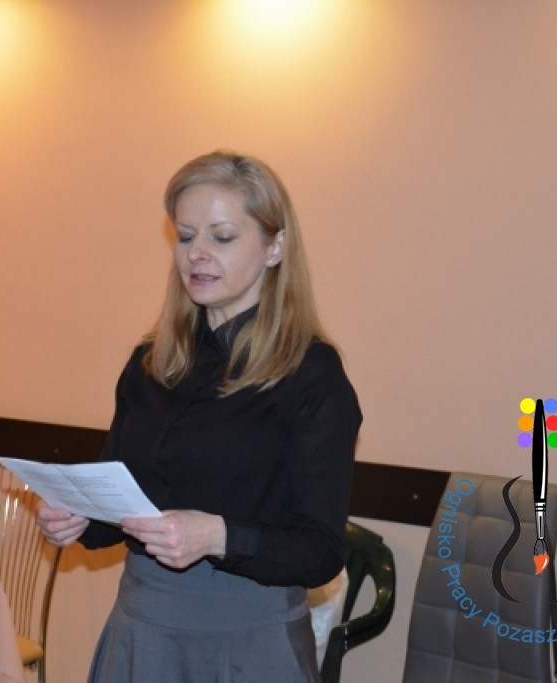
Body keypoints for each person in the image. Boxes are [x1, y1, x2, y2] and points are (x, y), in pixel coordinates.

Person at [37, 150, 362, 682]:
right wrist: (77, 517)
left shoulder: (312, 373)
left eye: (222, 237)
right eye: (186, 237)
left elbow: (320, 552)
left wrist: (216, 536)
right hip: (142, 629)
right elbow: (124, 498)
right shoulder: (151, 363)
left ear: (275, 247)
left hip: (248, 641)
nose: (198, 255)